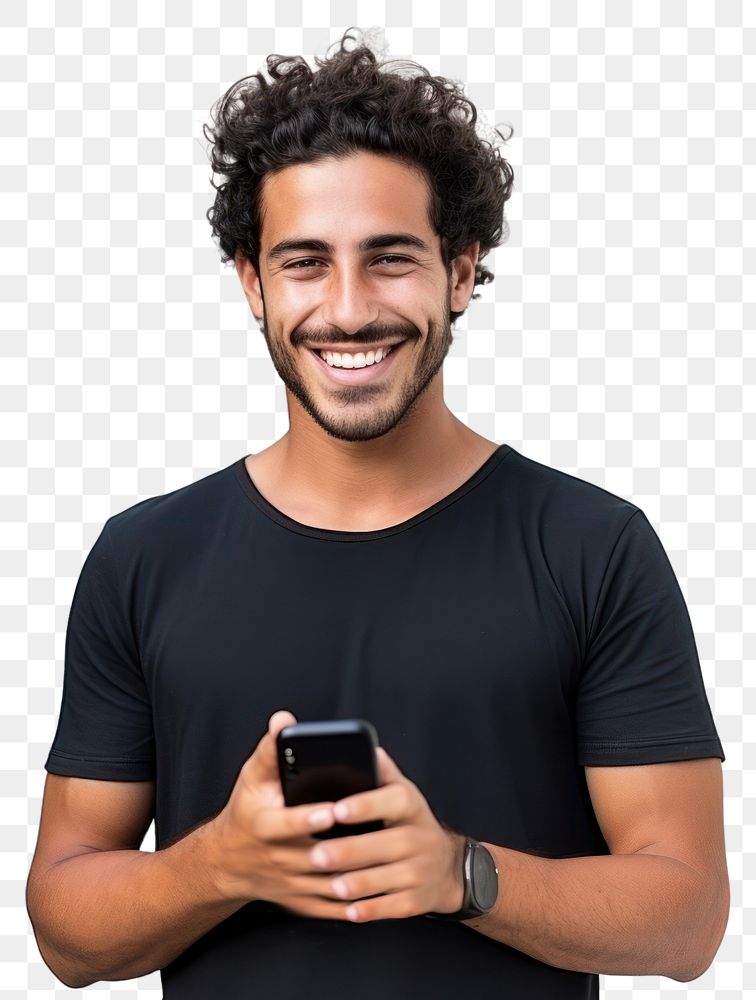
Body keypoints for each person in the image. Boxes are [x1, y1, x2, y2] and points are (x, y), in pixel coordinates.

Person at [26, 28, 728, 999]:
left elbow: (689, 918)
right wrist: (219, 864)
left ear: (462, 270)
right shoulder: (145, 557)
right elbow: (66, 930)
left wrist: (460, 875)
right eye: (305, 262)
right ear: (251, 283)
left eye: (391, 258)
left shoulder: (592, 548)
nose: (349, 309)